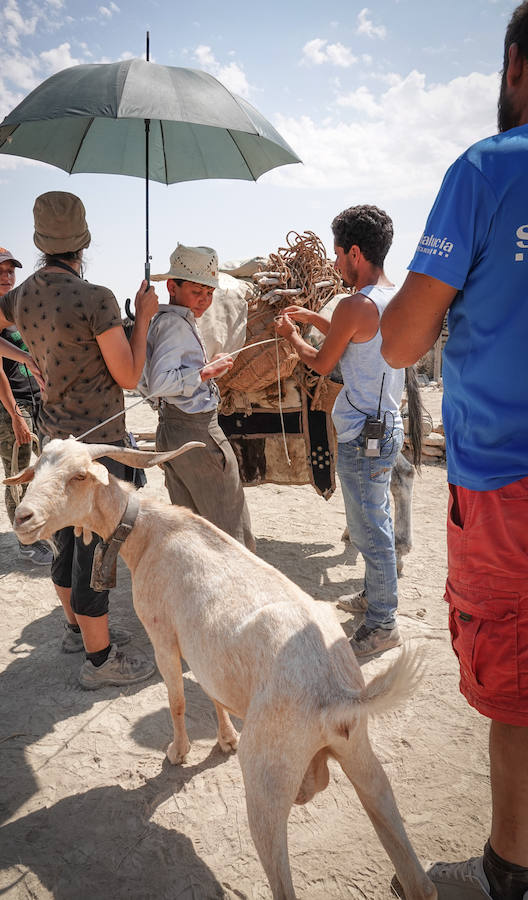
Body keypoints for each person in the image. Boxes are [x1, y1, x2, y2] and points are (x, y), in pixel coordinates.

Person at [380, 6, 528, 899]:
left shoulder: (486, 168)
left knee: (515, 684)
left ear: (515, 61)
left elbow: (400, 342)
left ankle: (510, 867)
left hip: (507, 482)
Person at [0, 191, 159, 690]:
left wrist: (25, 357)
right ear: (84, 242)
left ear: (38, 242)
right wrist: (148, 317)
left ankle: (75, 631)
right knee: (97, 548)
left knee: (66, 542)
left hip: (52, 441)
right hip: (95, 446)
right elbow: (130, 376)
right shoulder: (96, 299)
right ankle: (100, 660)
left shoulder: (22, 295)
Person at [275, 206, 404, 657]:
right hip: (386, 425)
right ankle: (374, 597)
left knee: (371, 529)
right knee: (376, 518)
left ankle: (383, 624)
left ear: (354, 252)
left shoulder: (355, 304)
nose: (333, 265)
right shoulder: (393, 298)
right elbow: (356, 336)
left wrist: (293, 338)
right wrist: (312, 319)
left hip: (361, 433)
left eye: (337, 255)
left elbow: (323, 362)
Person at [139, 243, 255, 551]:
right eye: (196, 292)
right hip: (196, 432)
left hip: (173, 430)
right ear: (172, 287)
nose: (204, 300)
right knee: (228, 523)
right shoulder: (175, 325)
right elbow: (161, 385)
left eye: (209, 293)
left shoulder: (165, 322)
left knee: (192, 523)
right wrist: (206, 372)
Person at [0, 246, 52, 566]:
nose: (6, 276)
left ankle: (47, 527)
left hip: (36, 401)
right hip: (12, 407)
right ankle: (26, 543)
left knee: (50, 468)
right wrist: (16, 418)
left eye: (11, 270)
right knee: (19, 476)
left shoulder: (17, 310)